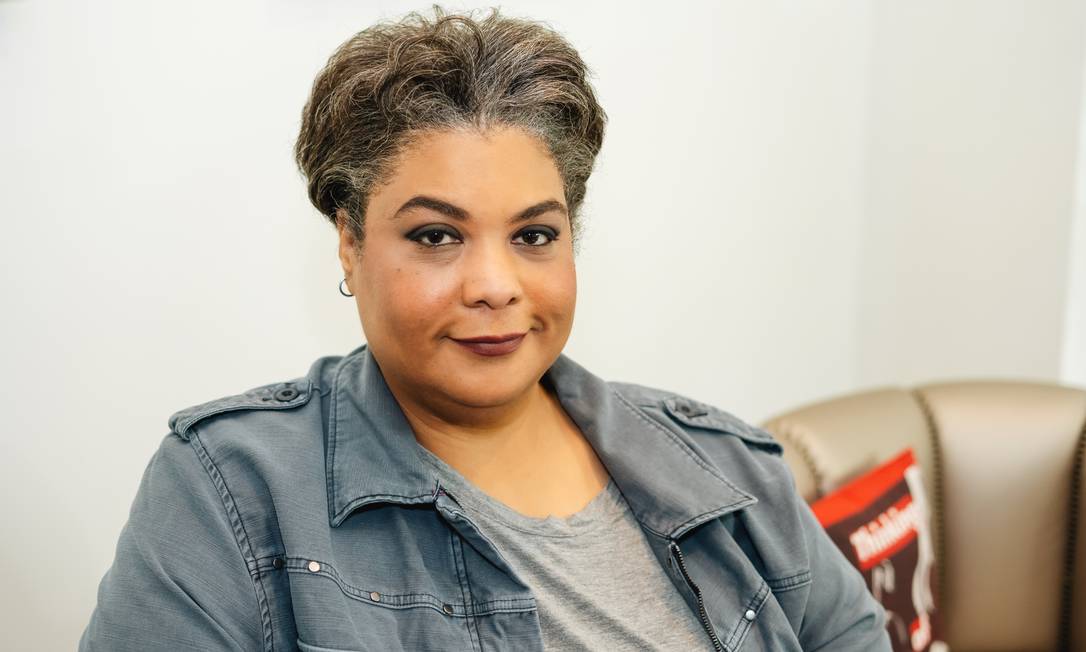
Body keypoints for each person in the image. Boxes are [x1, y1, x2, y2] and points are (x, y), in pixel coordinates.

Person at [79, 5, 891, 651]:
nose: (496, 286)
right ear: (351, 241)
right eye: (436, 236)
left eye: (534, 235)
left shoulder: (728, 470)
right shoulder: (230, 489)